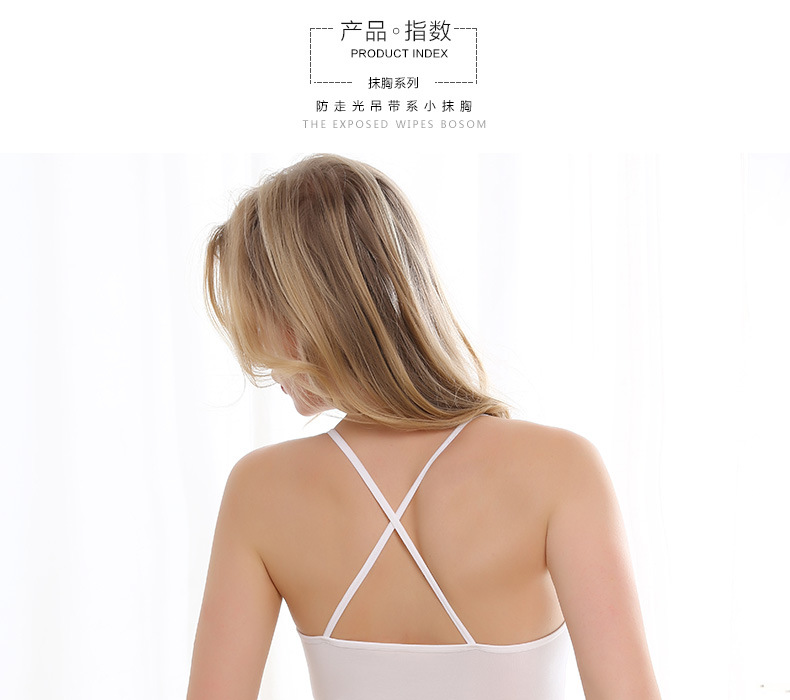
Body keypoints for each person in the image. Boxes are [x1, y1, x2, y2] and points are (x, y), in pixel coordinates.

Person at [186, 154, 661, 700]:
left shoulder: (261, 490)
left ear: (306, 314)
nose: (261, 361)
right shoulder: (560, 468)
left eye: (257, 321)